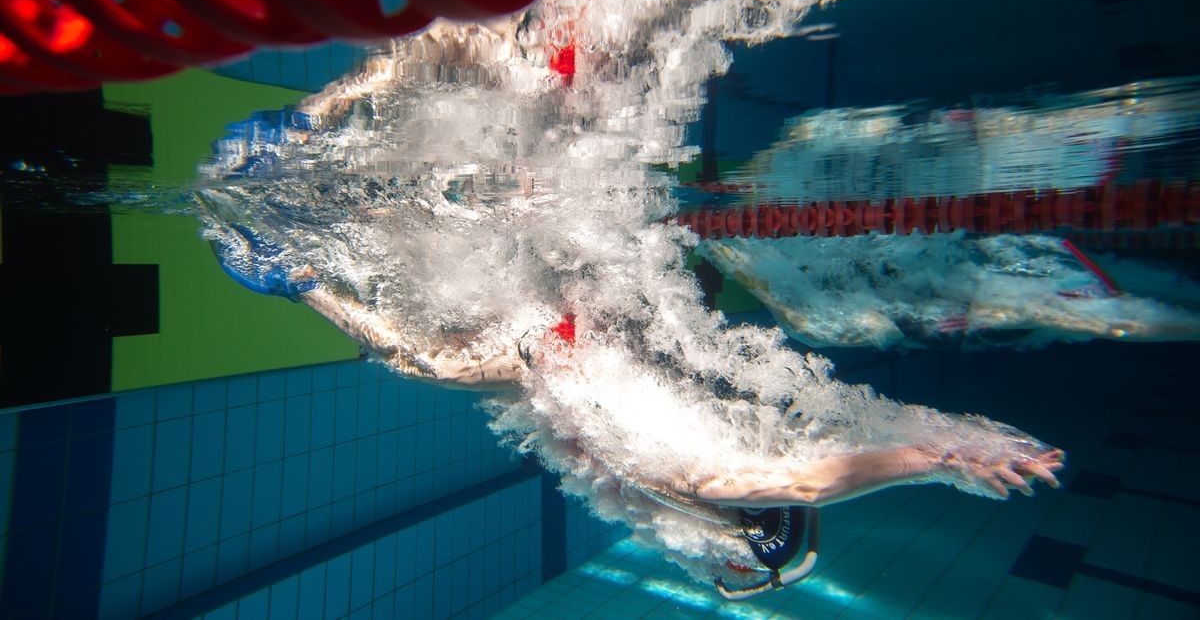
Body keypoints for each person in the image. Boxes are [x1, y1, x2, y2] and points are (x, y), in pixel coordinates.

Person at [211, 220, 1064, 597]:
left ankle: (315, 266)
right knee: (423, 357)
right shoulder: (706, 477)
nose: (708, 571)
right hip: (559, 349)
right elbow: (809, 479)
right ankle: (297, 274)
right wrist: (940, 458)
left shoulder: (671, 478)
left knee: (431, 338)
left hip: (565, 349)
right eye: (731, 572)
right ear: (747, 541)